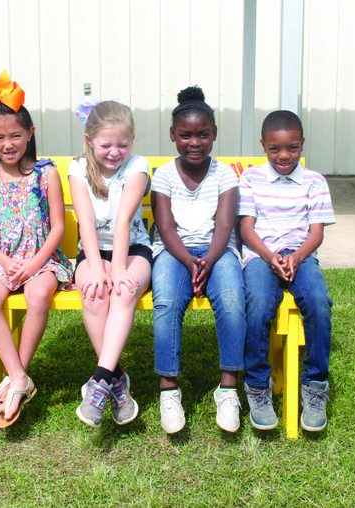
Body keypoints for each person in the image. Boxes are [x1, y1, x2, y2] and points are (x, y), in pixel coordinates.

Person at [0, 71, 74, 429]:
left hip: (41, 260)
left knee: (39, 294)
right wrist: (7, 262)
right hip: (2, 259)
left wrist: (32, 264)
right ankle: (18, 377)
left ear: (30, 134)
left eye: (16, 135)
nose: (8, 143)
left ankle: (16, 380)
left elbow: (57, 227)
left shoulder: (45, 175)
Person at [151, 86, 246, 434]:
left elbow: (224, 225)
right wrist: (190, 262)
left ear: (214, 135)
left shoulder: (223, 174)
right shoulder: (163, 175)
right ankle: (169, 390)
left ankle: (229, 388)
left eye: (203, 135)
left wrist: (206, 259)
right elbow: (165, 226)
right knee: (166, 302)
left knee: (234, 300)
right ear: (173, 135)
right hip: (173, 251)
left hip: (218, 251)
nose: (195, 142)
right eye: (186, 135)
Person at [239, 110, 336, 432]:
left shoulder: (314, 181)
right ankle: (257, 385)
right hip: (260, 255)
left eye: (292, 148)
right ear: (264, 146)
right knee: (257, 302)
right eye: (275, 149)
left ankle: (315, 385)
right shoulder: (251, 178)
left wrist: (296, 256)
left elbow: (317, 232)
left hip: (301, 256)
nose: (284, 156)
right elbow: (246, 229)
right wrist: (269, 257)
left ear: (302, 145)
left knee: (318, 301)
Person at [68, 98, 152, 428]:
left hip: (132, 249)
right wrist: (97, 266)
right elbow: (85, 223)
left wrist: (116, 269)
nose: (115, 152)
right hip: (91, 250)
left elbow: (122, 221)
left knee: (124, 290)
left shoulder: (137, 166)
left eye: (123, 144)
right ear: (90, 141)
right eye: (106, 145)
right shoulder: (78, 169)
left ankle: (99, 380)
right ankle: (115, 383)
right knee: (92, 290)